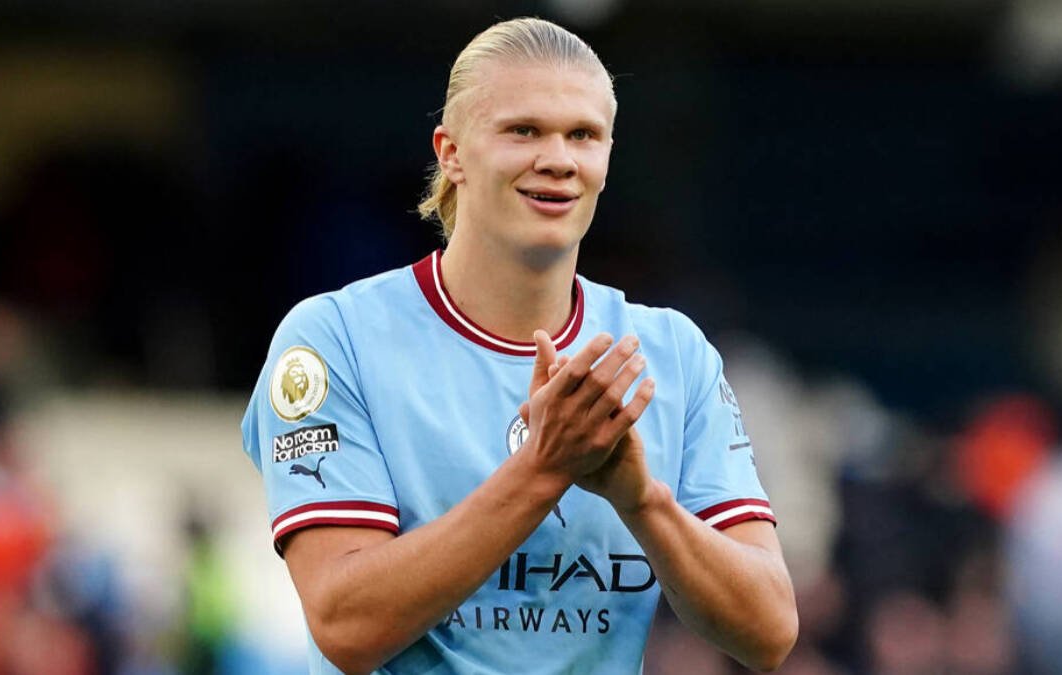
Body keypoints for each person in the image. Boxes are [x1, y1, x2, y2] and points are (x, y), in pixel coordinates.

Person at [241, 17, 797, 674]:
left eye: (583, 135)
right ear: (451, 152)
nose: (559, 158)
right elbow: (345, 623)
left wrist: (642, 501)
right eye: (524, 130)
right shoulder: (336, 341)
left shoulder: (671, 354)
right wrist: (543, 469)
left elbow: (769, 630)